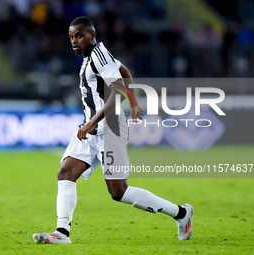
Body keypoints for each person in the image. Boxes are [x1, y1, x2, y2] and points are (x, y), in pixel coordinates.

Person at [33, 16, 194, 244]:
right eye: (71, 37)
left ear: (92, 35)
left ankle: (181, 213)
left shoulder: (99, 56)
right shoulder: (95, 56)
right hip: (91, 130)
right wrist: (135, 103)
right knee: (66, 172)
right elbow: (125, 73)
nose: (74, 41)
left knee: (119, 192)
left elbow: (117, 90)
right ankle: (62, 233)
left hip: (110, 128)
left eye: (79, 36)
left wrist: (93, 122)